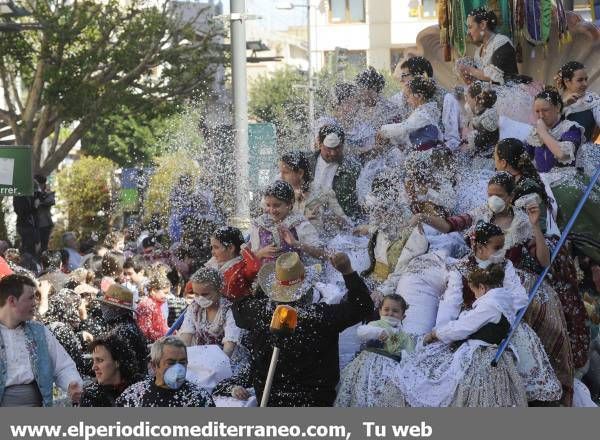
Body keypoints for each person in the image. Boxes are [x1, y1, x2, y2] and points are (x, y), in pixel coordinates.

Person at [232, 252, 373, 407]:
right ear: (307, 290)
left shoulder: (256, 312)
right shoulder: (320, 317)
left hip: (269, 401)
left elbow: (238, 305)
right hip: (314, 403)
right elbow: (362, 306)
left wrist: (261, 287)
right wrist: (348, 272)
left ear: (273, 289)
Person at [392, 263, 528, 407]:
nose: (475, 296)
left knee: (440, 379)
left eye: (474, 292)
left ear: (482, 287)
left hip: (480, 354)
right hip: (494, 354)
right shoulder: (505, 300)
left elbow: (463, 327)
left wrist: (435, 334)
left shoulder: (490, 305)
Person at [525, 88, 600, 266]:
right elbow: (522, 157)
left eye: (545, 110)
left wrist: (543, 132)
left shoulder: (570, 129)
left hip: (569, 183)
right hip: (545, 187)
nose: (541, 115)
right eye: (537, 111)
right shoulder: (534, 134)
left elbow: (562, 154)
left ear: (557, 108)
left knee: (570, 201)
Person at [0, 274, 82, 406]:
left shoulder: (39, 332)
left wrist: (71, 383)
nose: (35, 303)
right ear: (12, 301)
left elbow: (63, 366)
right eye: (30, 298)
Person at [456, 7, 537, 125]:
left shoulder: (501, 42)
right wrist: (466, 75)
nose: (468, 32)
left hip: (507, 92)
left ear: (483, 25)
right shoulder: (479, 50)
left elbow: (492, 76)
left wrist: (468, 69)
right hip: (489, 93)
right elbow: (478, 79)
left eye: (470, 27)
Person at [335, 294, 415, 407]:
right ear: (380, 311)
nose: (390, 313)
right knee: (362, 390)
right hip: (369, 363)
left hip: (389, 370)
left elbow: (410, 353)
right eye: (386, 309)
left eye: (395, 311)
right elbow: (361, 331)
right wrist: (377, 332)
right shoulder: (376, 324)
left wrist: (403, 356)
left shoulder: (404, 336)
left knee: (381, 396)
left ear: (403, 316)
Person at [116, 336, 215, 407]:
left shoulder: (199, 398)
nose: (178, 368)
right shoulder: (135, 396)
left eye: (182, 362)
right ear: (154, 365)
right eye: (171, 363)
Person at [391, 56, 462, 150]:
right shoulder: (402, 97)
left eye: (404, 75)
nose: (401, 80)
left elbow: (452, 140)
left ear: (421, 76)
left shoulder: (447, 99)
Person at [249, 180, 324, 263]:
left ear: (290, 203)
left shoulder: (300, 224)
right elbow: (250, 258)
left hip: (295, 274)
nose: (272, 210)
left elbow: (322, 254)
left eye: (277, 205)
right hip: (265, 273)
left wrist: (296, 244)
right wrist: (260, 253)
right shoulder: (259, 225)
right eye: (268, 205)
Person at [279, 150, 351, 231]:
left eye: (285, 172)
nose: (281, 177)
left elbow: (348, 226)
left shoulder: (323, 193)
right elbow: (274, 225)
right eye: (280, 172)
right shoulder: (280, 196)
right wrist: (302, 219)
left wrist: (332, 217)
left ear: (300, 173)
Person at [178, 267, 241, 358]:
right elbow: (185, 338)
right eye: (196, 294)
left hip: (227, 360)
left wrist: (216, 367)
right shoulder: (194, 308)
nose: (200, 298)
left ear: (219, 291)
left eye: (205, 294)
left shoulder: (229, 310)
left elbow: (229, 347)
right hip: (201, 358)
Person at [309, 124, 363, 223]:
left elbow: (360, 203)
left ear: (343, 145)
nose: (333, 153)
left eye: (337, 148)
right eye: (329, 149)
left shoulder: (353, 168)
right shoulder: (306, 163)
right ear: (319, 144)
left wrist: (348, 222)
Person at [555, 61, 600, 177]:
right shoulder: (554, 102)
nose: (585, 83)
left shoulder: (592, 99)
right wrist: (563, 105)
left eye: (586, 79)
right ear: (567, 81)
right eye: (580, 80)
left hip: (584, 160)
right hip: (556, 162)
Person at [379, 77, 442, 153]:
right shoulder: (425, 110)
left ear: (419, 96)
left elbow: (404, 128)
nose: (407, 100)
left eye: (408, 96)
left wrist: (383, 131)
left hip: (428, 155)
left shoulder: (424, 114)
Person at [98, 284, 149, 375]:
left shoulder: (123, 331)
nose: (104, 309)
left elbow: (119, 367)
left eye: (107, 305)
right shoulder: (126, 325)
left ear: (117, 309)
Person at [80, 335, 143, 407]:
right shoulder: (91, 396)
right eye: (93, 361)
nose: (93, 367)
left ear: (117, 362)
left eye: (100, 360)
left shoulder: (141, 386)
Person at [205, 226, 260, 301]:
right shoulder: (213, 264)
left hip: (236, 309)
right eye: (212, 247)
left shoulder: (241, 266)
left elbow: (255, 267)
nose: (212, 252)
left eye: (216, 247)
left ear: (231, 248)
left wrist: (244, 250)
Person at [463, 82, 499, 163]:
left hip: (487, 160)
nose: (467, 102)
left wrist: (470, 137)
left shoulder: (489, 118)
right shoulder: (482, 112)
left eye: (468, 98)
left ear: (475, 99)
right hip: (480, 156)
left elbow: (480, 143)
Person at [135, 272, 171, 342]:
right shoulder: (146, 305)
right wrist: (165, 336)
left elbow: (162, 326)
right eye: (165, 293)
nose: (167, 296)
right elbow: (146, 331)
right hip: (150, 344)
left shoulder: (157, 304)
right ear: (153, 291)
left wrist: (170, 331)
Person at [12, 183, 40, 258]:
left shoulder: (25, 196)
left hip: (24, 224)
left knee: (27, 247)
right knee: (28, 248)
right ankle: (27, 264)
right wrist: (35, 207)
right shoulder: (21, 196)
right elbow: (22, 211)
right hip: (25, 225)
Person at [34, 175, 55, 254]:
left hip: (44, 224)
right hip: (34, 224)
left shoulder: (47, 193)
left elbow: (51, 201)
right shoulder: (33, 193)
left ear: (42, 184)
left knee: (43, 247)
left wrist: (40, 203)